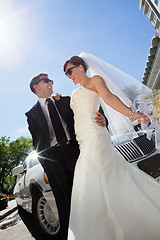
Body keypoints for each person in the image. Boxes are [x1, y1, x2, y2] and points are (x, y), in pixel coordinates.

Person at [63, 55, 160, 240]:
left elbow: (109, 98)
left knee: (103, 175)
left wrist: (132, 114)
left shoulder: (95, 81)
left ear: (81, 67)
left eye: (70, 71)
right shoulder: (76, 92)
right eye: (66, 73)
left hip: (95, 136)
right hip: (83, 140)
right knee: (92, 179)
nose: (69, 76)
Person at [25, 73, 106, 240]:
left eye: (51, 80)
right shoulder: (31, 114)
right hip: (52, 160)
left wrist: (102, 119)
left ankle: (100, 230)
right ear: (36, 87)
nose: (51, 83)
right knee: (65, 203)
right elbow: (37, 143)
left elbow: (86, 116)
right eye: (47, 81)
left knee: (87, 192)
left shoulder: (65, 101)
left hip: (74, 152)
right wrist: (47, 165)